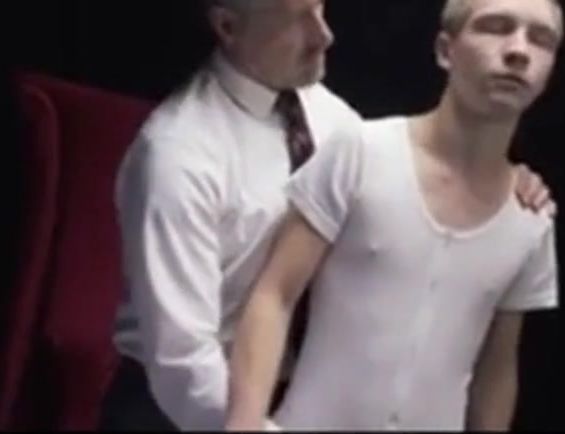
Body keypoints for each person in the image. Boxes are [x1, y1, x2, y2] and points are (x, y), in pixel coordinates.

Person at [101, 0, 555, 431]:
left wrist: (505, 179)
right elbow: (181, 357)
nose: (324, 36)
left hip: (284, 392)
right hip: (180, 405)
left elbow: (401, 170)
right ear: (228, 27)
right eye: (297, 18)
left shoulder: (329, 118)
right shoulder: (178, 154)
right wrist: (251, 425)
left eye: (320, 9)